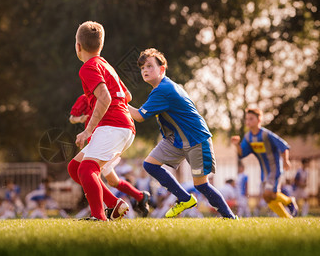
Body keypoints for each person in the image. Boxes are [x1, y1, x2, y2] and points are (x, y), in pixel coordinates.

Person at [128, 48, 237, 219]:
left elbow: (139, 116)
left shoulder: (163, 89)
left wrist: (117, 101)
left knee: (201, 185)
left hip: (196, 139)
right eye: (142, 68)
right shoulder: (161, 88)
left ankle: (230, 218)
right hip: (177, 140)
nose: (145, 70)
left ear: (162, 69)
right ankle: (184, 198)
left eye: (149, 66)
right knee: (149, 164)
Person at [66, 21, 136, 221]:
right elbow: (127, 95)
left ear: (78, 46)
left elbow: (105, 98)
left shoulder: (88, 67)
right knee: (75, 168)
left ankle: (99, 218)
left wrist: (88, 130)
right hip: (122, 126)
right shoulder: (105, 64)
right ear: (101, 46)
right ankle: (115, 204)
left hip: (114, 126)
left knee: (87, 169)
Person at [70, 94, 150, 217]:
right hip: (95, 143)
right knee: (111, 180)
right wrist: (80, 119)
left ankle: (104, 210)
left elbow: (127, 98)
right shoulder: (84, 98)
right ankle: (138, 196)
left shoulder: (108, 95)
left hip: (107, 141)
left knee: (90, 173)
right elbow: (72, 118)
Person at [231, 108, 298, 218]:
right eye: (246, 119)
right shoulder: (248, 137)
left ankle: (289, 201)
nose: (248, 121)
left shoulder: (266, 134)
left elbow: (283, 146)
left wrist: (286, 161)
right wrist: (237, 145)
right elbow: (242, 153)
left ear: (259, 120)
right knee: (268, 197)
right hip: (264, 172)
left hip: (275, 169)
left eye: (251, 119)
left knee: (268, 193)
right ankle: (287, 217)